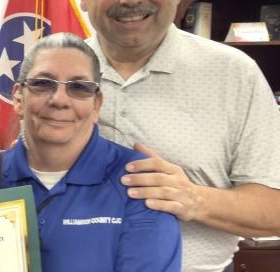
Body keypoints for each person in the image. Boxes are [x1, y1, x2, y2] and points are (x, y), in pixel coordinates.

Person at [80, 0, 280, 271]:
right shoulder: (52, 73)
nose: (131, 2)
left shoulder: (235, 74)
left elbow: (274, 209)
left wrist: (194, 200)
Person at [1, 32, 181, 271]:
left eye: (79, 87)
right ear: (18, 98)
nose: (59, 100)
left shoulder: (140, 184)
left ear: (97, 105)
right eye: (43, 83)